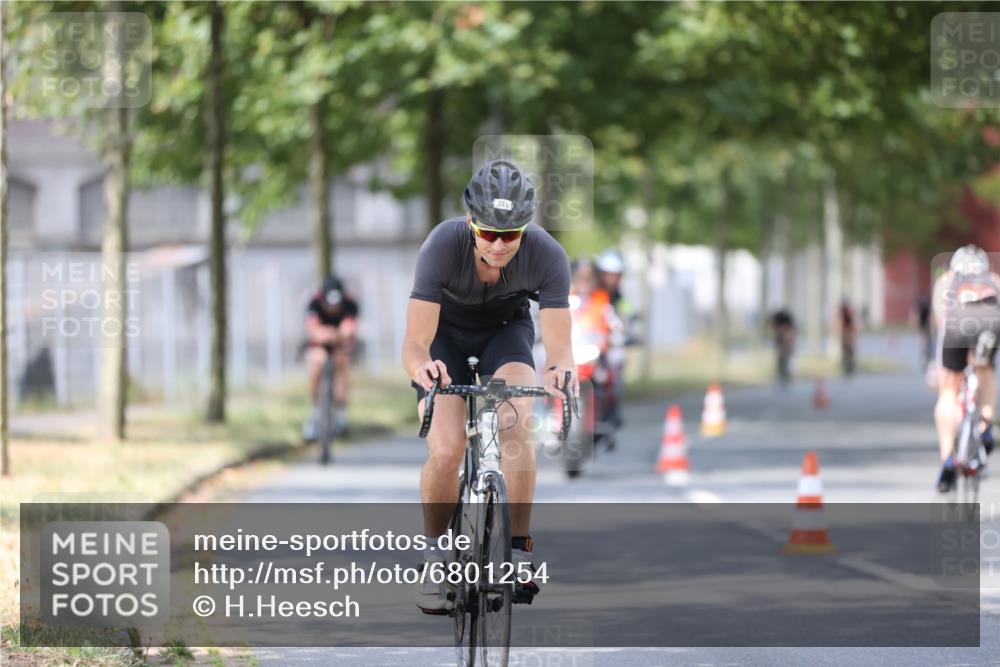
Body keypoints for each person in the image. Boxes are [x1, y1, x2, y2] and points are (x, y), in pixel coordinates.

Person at [402, 159, 576, 613]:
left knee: (516, 427)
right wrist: (422, 370)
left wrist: (559, 370)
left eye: (511, 234)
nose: (499, 245)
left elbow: (559, 345)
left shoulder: (548, 255)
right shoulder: (442, 245)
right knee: (446, 447)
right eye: (488, 233)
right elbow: (415, 343)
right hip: (446, 340)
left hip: (506, 333)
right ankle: (436, 555)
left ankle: (516, 551)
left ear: (526, 229)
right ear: (469, 223)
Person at [932, 245, 1000, 493]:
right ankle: (985, 426)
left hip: (956, 327)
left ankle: (948, 456)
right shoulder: (992, 280)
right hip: (990, 325)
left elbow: (940, 320)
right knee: (986, 373)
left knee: (948, 392)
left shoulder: (947, 281)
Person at [302, 275, 359, 441]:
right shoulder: (314, 303)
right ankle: (315, 415)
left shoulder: (350, 304)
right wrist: (331, 334)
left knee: (342, 363)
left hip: (341, 345)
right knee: (315, 363)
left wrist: (336, 335)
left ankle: (341, 415)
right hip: (319, 344)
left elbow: (349, 329)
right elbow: (313, 329)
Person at [771, 308, 797, 387]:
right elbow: (776, 334)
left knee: (788, 357)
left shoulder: (789, 325)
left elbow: (791, 335)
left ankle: (787, 374)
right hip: (781, 340)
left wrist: (790, 343)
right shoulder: (777, 324)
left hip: (788, 340)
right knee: (781, 357)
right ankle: (781, 374)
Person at [838, 300, 858, 376]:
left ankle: (849, 366)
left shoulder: (846, 315)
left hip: (847, 336)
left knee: (848, 351)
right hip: (846, 336)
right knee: (847, 351)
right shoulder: (845, 315)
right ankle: (847, 365)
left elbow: (850, 327)